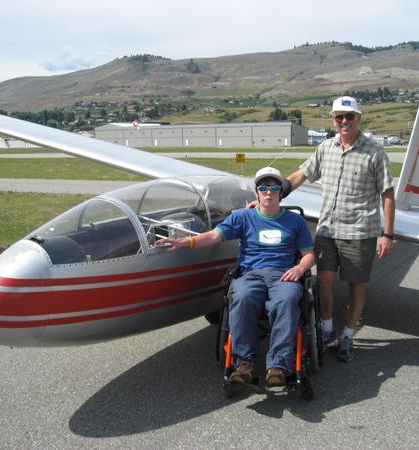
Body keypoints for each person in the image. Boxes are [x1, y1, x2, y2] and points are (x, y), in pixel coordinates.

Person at [157, 167, 315, 386]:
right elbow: (214, 236)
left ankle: (278, 365)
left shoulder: (295, 221)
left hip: (283, 274)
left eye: (274, 187)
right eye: (263, 187)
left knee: (286, 300)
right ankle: (244, 363)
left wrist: (299, 269)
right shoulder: (242, 217)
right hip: (251, 274)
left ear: (281, 192)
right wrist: (186, 242)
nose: (269, 192)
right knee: (242, 298)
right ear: (256, 192)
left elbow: (309, 255)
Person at [265, 96, 395, 363]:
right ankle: (326, 329)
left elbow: (388, 194)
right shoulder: (326, 148)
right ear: (333, 120)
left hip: (360, 232)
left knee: (355, 285)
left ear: (359, 118)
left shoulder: (375, 152)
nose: (344, 121)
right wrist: (273, 194)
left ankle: (347, 335)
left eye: (349, 116)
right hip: (327, 230)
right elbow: (300, 176)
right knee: (323, 282)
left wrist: (387, 234)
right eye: (339, 117)